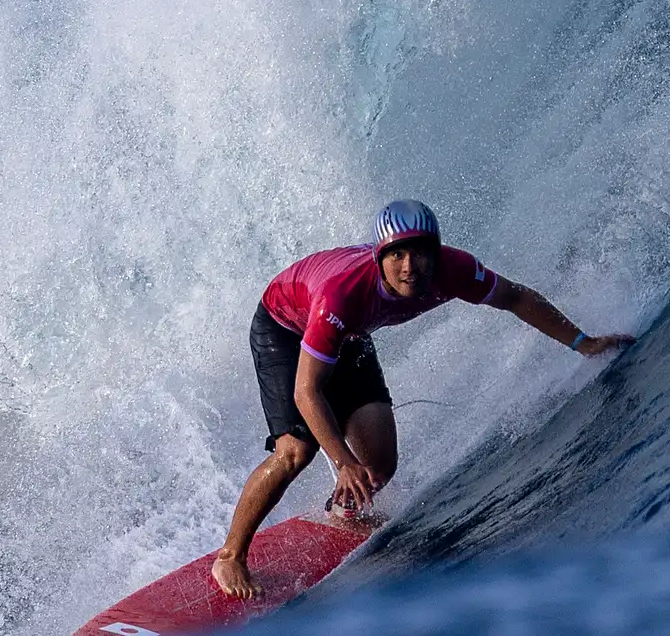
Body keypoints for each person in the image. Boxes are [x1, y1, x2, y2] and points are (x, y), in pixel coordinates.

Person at [215, 199, 634, 598]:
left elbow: (517, 298)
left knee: (379, 463)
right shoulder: (342, 294)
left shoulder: (454, 270)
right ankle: (230, 556)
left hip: (348, 334)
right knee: (297, 451)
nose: (409, 267)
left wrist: (585, 343)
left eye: (419, 254)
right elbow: (307, 391)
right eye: (396, 255)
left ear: (437, 252)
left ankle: (344, 511)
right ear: (379, 257)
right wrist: (342, 462)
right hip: (284, 327)